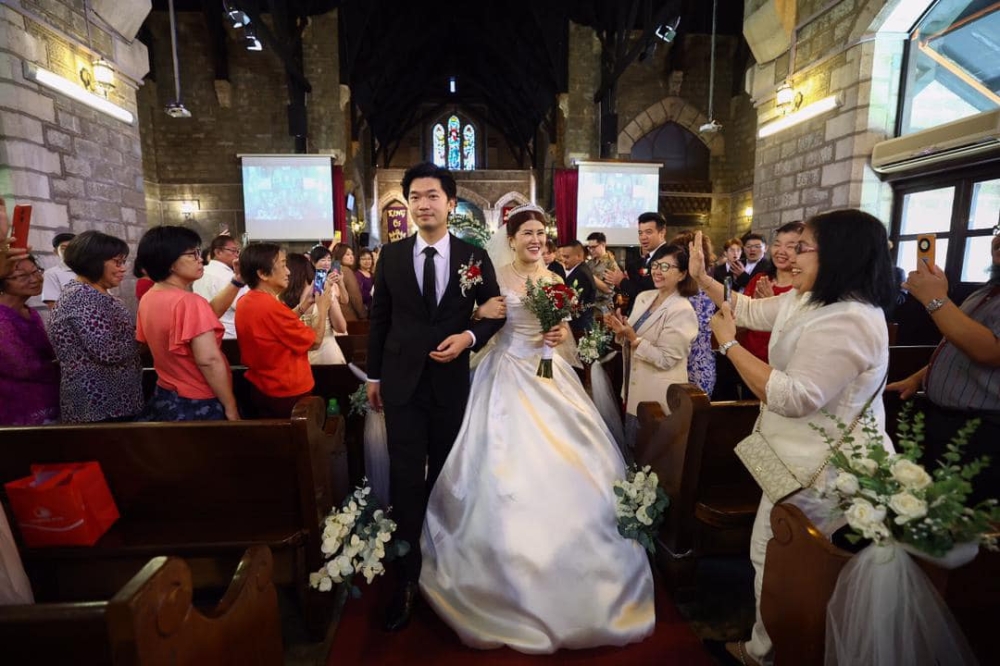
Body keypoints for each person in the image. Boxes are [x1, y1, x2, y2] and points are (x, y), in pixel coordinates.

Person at [421, 203, 655, 653]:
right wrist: (478, 315)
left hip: (548, 374)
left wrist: (558, 334)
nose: (535, 239)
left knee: (575, 461)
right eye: (527, 232)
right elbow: (480, 320)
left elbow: (563, 329)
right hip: (503, 371)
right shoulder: (495, 277)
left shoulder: (554, 280)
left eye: (540, 233)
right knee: (498, 466)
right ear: (510, 238)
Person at [688, 210, 896, 666]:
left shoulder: (851, 319)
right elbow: (748, 308)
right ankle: (770, 646)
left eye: (803, 248)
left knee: (785, 561)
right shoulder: (811, 299)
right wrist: (703, 278)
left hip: (824, 474)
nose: (790, 257)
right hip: (794, 461)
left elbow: (795, 396)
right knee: (772, 555)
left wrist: (729, 346)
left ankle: (772, 652)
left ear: (839, 254)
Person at [367, 162, 505, 632]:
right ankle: (407, 576)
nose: (423, 204)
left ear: (450, 202)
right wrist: (373, 377)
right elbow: (380, 320)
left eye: (432, 196)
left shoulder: (473, 256)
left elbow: (496, 313)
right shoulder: (391, 255)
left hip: (450, 384)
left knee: (449, 474)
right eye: (416, 197)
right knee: (406, 477)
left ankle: (450, 566)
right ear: (408, 205)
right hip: (402, 383)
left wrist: (468, 336)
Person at [886, 233, 1000, 503]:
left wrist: (935, 299)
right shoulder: (987, 290)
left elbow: (990, 351)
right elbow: (957, 345)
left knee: (960, 517)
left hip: (983, 428)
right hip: (944, 420)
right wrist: (916, 378)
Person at [135, 226, 239, 421]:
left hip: (166, 391)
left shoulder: (150, 297)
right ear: (170, 262)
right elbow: (209, 360)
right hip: (197, 398)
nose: (201, 259)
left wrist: (237, 281)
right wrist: (230, 405)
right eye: (193, 254)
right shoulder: (189, 302)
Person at [605, 243, 699, 448]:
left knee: (650, 457)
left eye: (666, 267)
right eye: (655, 265)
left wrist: (634, 340)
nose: (657, 271)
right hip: (633, 386)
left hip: (657, 394)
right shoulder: (644, 297)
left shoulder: (682, 309)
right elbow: (630, 336)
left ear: (682, 274)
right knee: (630, 448)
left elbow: (667, 359)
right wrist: (620, 329)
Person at [48, 231, 144, 423]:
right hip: (97, 402)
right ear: (94, 261)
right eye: (117, 262)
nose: (123, 269)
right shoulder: (82, 297)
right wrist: (145, 339)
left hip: (115, 399)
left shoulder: (95, 293)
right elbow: (109, 352)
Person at [235, 244, 331, 417]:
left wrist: (304, 305)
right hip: (286, 389)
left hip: (262, 385)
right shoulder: (270, 306)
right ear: (262, 274)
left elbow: (278, 327)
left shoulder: (246, 300)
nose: (288, 272)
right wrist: (323, 308)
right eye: (282, 265)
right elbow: (315, 342)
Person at [0, 255, 59, 425]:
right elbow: (21, 367)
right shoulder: (2, 318)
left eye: (36, 271)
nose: (35, 279)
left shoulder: (29, 311)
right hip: (18, 407)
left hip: (46, 397)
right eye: (22, 276)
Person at [739, 221, 804, 362]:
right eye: (777, 244)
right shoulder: (760, 279)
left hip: (778, 362)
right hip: (749, 355)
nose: (781, 251)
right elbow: (742, 314)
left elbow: (797, 331)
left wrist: (772, 304)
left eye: (790, 246)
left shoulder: (803, 286)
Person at [281, 253, 347, 364]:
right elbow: (341, 327)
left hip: (296, 358)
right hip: (328, 356)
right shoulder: (323, 291)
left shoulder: (279, 297)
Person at [603, 212, 668, 315]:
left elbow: (649, 295)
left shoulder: (665, 257)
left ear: (662, 232)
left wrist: (622, 281)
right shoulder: (648, 257)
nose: (643, 237)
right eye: (640, 233)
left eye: (648, 232)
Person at [192, 234, 245, 339]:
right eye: (233, 251)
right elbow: (241, 304)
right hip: (229, 333)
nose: (237, 255)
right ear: (218, 252)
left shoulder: (201, 272)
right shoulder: (228, 276)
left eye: (237, 251)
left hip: (206, 332)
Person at [559, 239, 596, 335]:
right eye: (562, 256)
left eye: (566, 257)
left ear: (579, 256)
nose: (563, 260)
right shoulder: (580, 269)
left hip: (580, 327)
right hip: (580, 325)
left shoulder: (581, 274)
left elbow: (573, 304)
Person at [41, 231, 76, 309]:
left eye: (73, 248)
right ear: (56, 252)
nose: (69, 251)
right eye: (63, 248)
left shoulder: (89, 270)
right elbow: (53, 307)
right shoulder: (51, 274)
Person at [586, 231, 619, 314]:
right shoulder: (590, 263)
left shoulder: (611, 264)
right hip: (590, 304)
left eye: (594, 247)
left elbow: (608, 289)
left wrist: (590, 276)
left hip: (603, 307)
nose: (591, 250)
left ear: (603, 245)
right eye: (589, 247)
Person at [334, 243, 368, 320]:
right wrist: (363, 315)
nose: (351, 257)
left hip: (336, 315)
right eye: (347, 254)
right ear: (340, 256)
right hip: (349, 316)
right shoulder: (346, 271)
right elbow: (355, 296)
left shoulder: (335, 269)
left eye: (352, 254)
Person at [355, 247, 375, 312]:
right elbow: (359, 294)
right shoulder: (357, 274)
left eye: (369, 259)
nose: (367, 261)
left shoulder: (372, 274)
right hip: (365, 310)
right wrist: (371, 293)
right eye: (363, 259)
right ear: (358, 261)